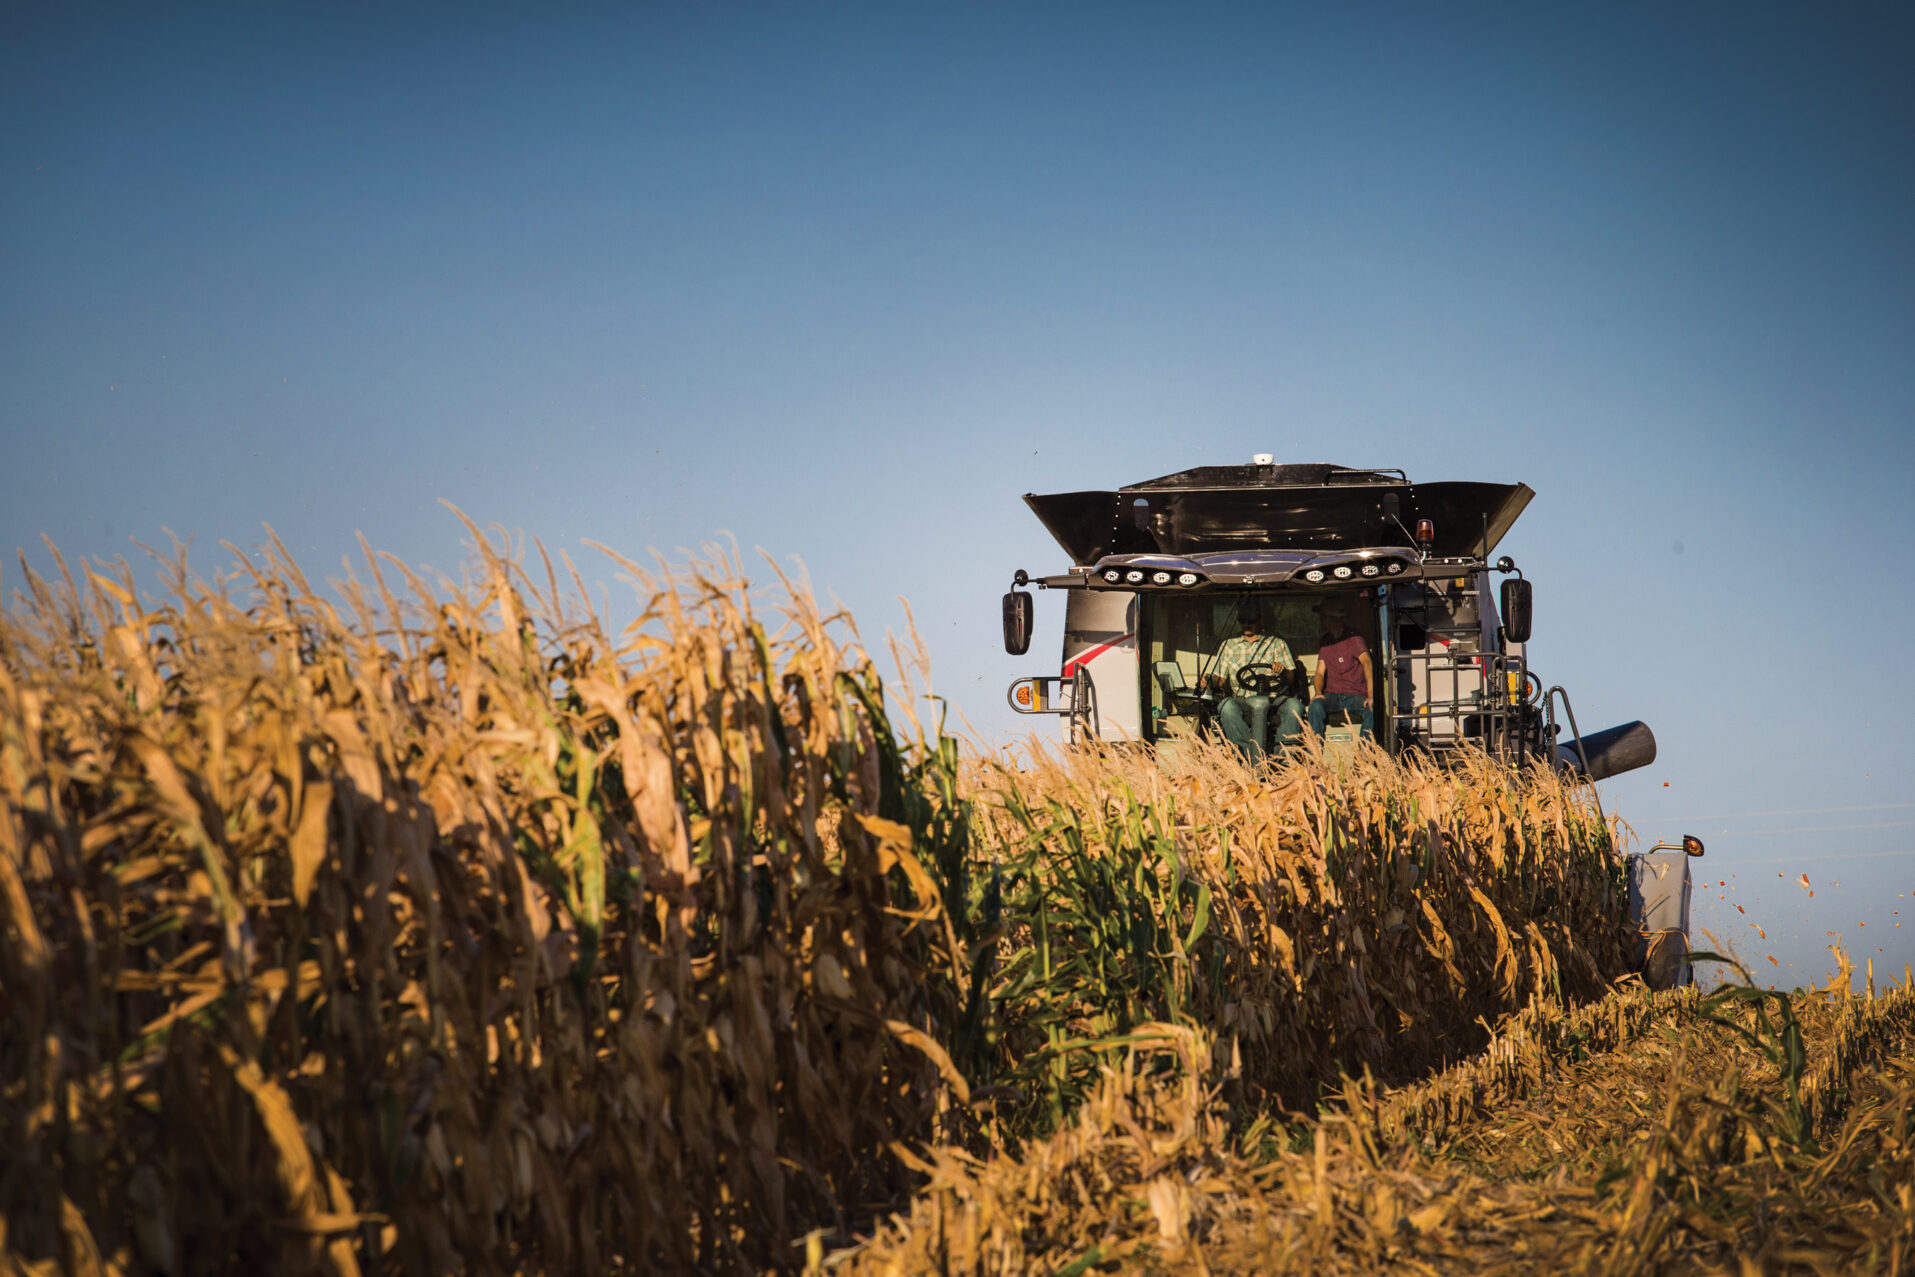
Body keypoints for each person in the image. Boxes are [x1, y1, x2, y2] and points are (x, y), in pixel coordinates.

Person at [1204, 604, 1304, 762]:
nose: (1246, 624)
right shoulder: (1228, 645)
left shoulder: (1277, 643)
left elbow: (1291, 677)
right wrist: (1209, 681)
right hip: (1243, 700)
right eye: (1242, 620)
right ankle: (1248, 757)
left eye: (1250, 619)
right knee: (1226, 706)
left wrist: (1283, 671)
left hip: (1273, 700)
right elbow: (1220, 679)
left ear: (1261, 619)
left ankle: (1283, 759)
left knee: (1295, 706)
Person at [1308, 600, 1374, 738]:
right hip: (1332, 696)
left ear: (1330, 619)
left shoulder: (1354, 638)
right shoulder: (1325, 641)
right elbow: (1319, 673)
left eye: (1322, 618)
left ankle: (1364, 755)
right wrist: (1318, 692)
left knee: (1372, 709)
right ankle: (1315, 754)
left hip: (1355, 696)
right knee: (1315, 706)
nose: (1320, 622)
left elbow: (1367, 662)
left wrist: (1371, 696)